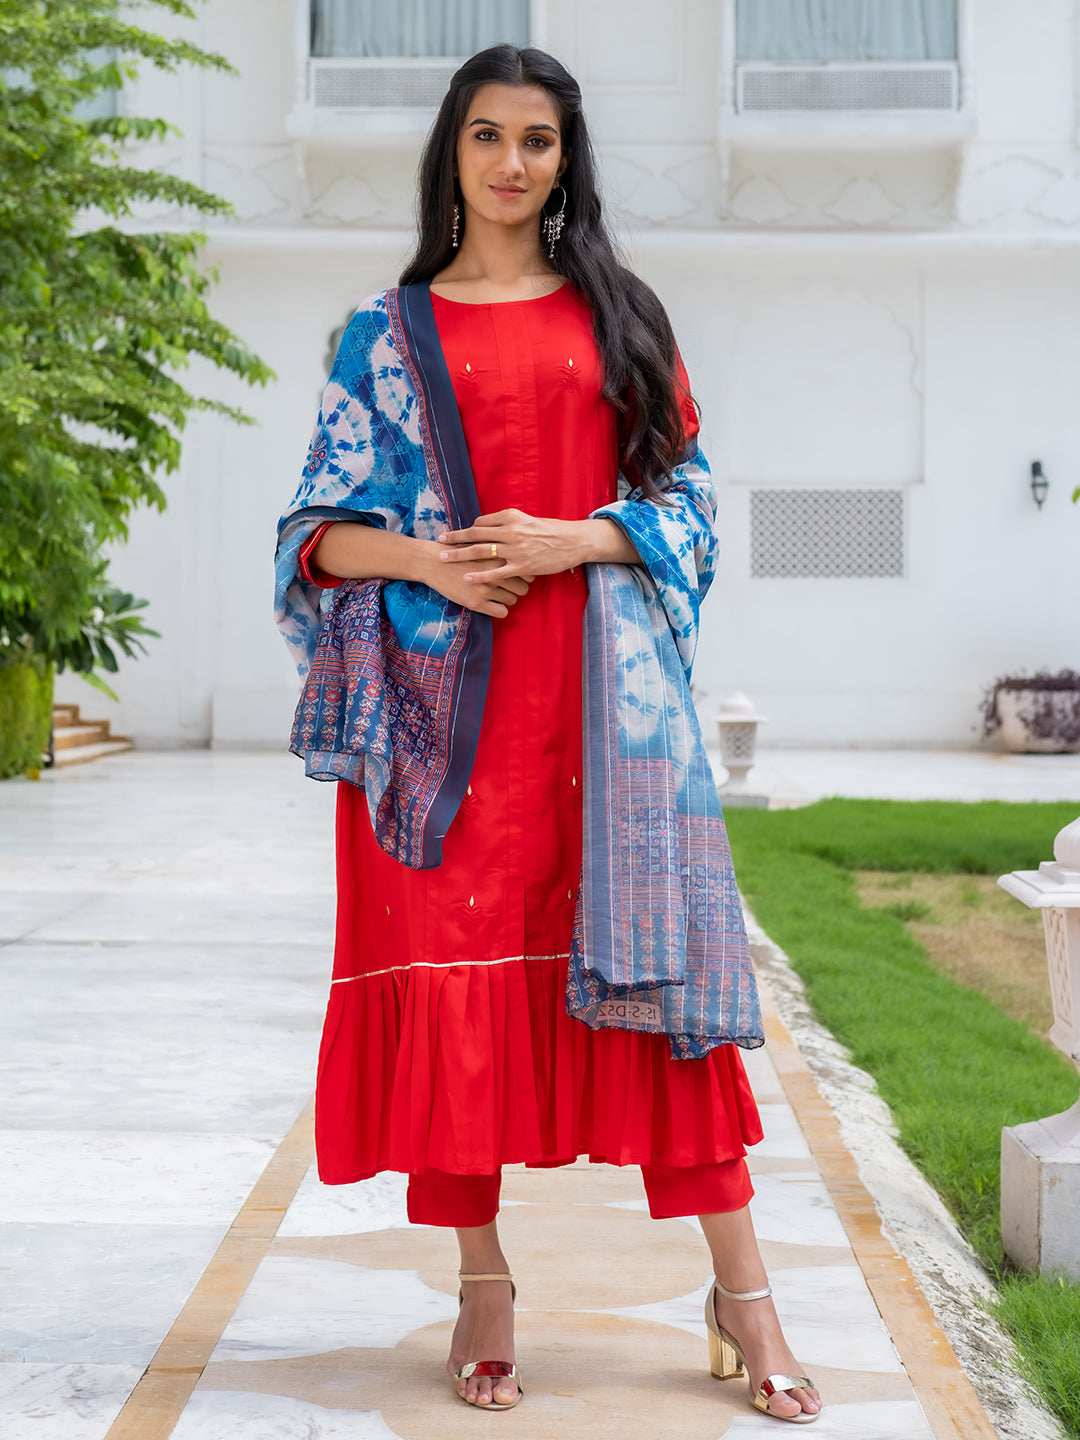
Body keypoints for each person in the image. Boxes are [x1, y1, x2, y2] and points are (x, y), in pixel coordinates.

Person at [274, 43, 821, 1426]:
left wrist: (581, 537)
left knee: (661, 1003)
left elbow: (692, 506)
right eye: (487, 136)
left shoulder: (618, 315)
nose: (512, 163)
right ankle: (483, 1285)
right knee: (457, 993)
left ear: (566, 159)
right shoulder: (385, 335)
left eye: (538, 139)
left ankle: (746, 1294)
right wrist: (436, 563)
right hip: (443, 741)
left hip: (604, 726)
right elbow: (313, 536)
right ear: (450, 154)